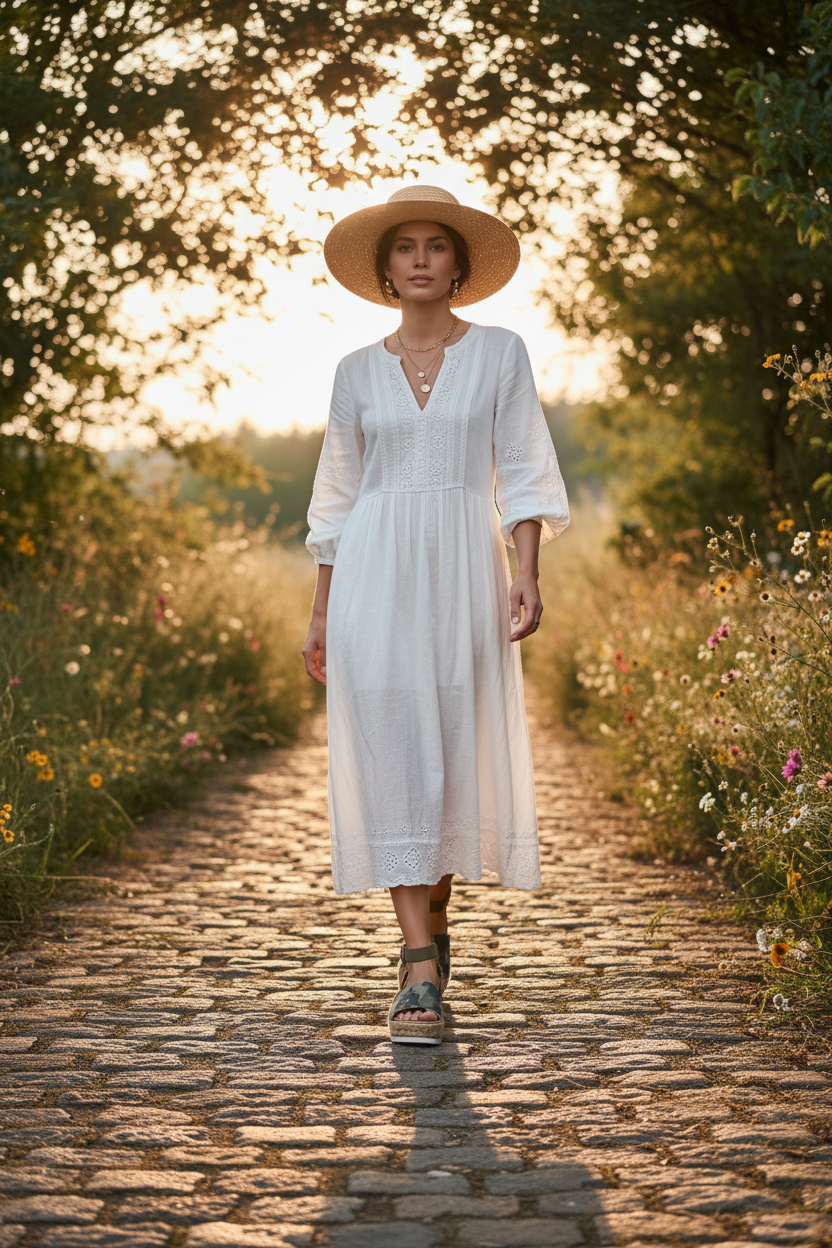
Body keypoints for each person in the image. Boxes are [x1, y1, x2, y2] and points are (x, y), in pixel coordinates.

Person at [302, 185, 569, 1044]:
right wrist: (320, 613)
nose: (420, 259)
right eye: (405, 248)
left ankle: (437, 916)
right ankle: (418, 964)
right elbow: (335, 500)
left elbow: (525, 466)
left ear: (457, 265)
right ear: (385, 270)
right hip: (372, 574)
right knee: (393, 754)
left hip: (464, 569)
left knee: (451, 755)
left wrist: (525, 571)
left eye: (436, 246)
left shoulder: (499, 352)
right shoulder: (353, 372)